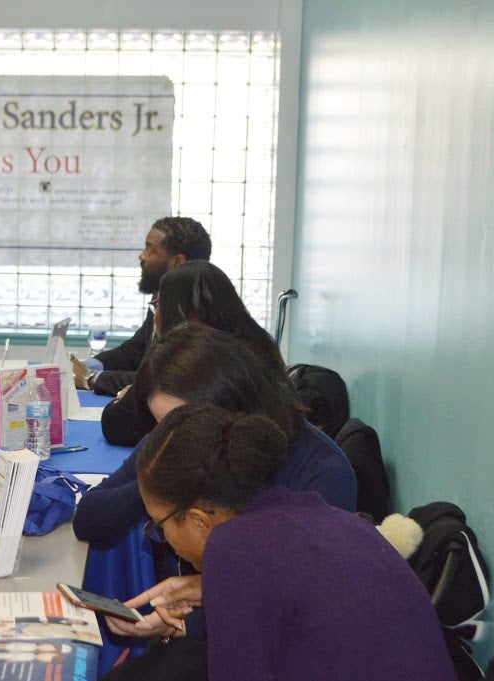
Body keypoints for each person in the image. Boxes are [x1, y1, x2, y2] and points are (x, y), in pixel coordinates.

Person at [101, 404, 455, 680]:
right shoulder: (321, 515)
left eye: (159, 526)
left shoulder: (234, 548)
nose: (162, 539)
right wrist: (197, 615)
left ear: (198, 520)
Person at [73, 322, 356, 657]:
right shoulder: (176, 442)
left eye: (183, 423)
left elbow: (298, 603)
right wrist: (157, 484)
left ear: (232, 406)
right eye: (165, 427)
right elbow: (90, 518)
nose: (174, 438)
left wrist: (193, 618)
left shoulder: (320, 472)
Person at [101, 260, 284, 446]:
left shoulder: (196, 358)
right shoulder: (258, 343)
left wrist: (123, 398)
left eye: (157, 304)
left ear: (189, 316)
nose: (155, 316)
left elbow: (118, 425)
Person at [71, 217, 211, 396]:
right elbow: (134, 350)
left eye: (149, 249)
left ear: (176, 262)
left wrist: (90, 378)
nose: (142, 256)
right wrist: (88, 365)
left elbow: (162, 381)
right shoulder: (163, 296)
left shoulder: (195, 312)